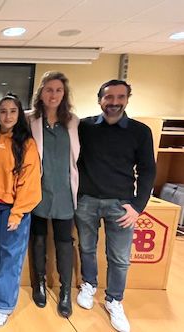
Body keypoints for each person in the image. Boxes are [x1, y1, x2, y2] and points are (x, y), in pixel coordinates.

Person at [75, 80, 156, 332]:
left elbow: (147, 170)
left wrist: (138, 206)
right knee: (87, 248)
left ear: (127, 99)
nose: (114, 102)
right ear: (100, 99)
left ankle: (114, 300)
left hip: (122, 205)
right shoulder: (84, 127)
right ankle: (88, 284)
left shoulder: (140, 131)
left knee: (119, 258)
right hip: (86, 200)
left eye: (120, 97)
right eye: (109, 97)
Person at [0, 94, 41, 328]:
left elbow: (30, 181)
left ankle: (4, 305)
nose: (7, 115)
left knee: (11, 256)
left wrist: (18, 212)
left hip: (15, 209)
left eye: (12, 111)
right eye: (3, 111)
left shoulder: (27, 143)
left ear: (19, 115)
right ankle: (0, 288)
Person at [28, 71, 79, 317]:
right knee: (38, 240)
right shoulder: (30, 120)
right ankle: (38, 283)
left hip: (65, 192)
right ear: (41, 93)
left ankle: (65, 291)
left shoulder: (74, 122)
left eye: (59, 90)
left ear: (64, 94)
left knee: (64, 243)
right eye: (49, 90)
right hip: (38, 191)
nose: (54, 95)